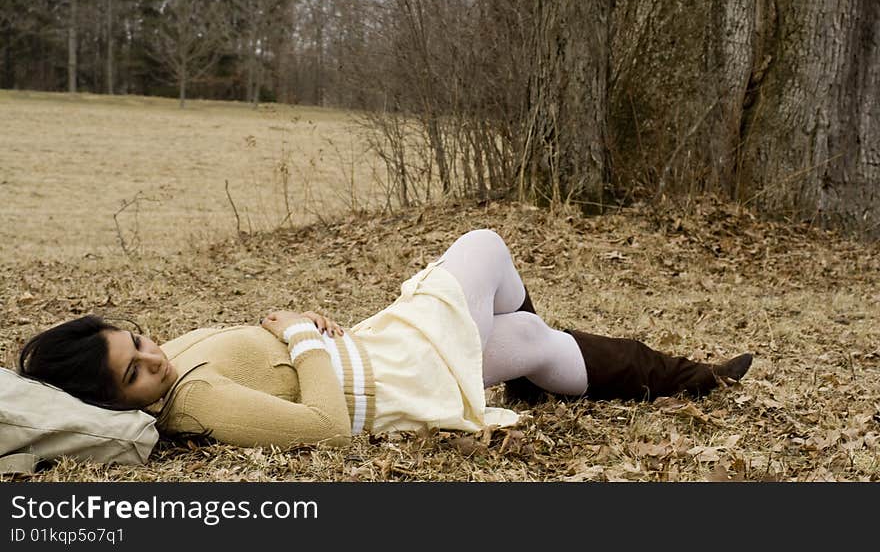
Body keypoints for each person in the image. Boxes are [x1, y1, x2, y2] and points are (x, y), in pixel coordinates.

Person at [17, 229, 752, 449]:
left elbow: (270, 344)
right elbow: (326, 429)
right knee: (489, 248)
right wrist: (306, 341)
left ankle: (689, 376)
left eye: (139, 340)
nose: (155, 357)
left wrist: (297, 324)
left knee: (529, 334)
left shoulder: (177, 360)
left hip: (373, 348)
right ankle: (690, 377)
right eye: (136, 373)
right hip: (387, 385)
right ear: (118, 401)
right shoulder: (191, 402)